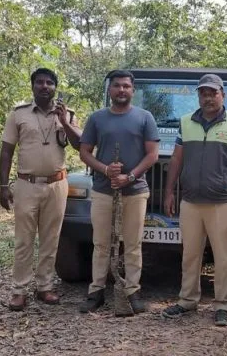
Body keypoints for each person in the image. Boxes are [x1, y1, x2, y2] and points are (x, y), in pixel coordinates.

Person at [160, 73, 227, 327]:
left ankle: (222, 305)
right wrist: (169, 192)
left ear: (223, 95)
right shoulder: (186, 122)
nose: (208, 98)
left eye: (213, 93)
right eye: (203, 93)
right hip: (190, 202)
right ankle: (187, 300)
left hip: (221, 203)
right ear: (198, 96)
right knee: (190, 254)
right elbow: (176, 159)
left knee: (223, 257)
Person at [77, 70, 160, 315]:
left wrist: (129, 176)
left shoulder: (145, 117)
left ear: (133, 90)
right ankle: (96, 291)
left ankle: (132, 291)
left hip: (135, 191)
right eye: (116, 86)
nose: (121, 90)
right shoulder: (97, 118)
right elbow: (84, 152)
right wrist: (105, 170)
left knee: (133, 244)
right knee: (101, 243)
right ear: (110, 89)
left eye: (126, 86)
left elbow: (152, 155)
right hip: (103, 190)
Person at [0, 68, 81, 311]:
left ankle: (45, 286)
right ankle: (19, 290)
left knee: (51, 237)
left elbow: (80, 145)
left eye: (49, 83)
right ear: (33, 86)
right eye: (40, 82)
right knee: (24, 239)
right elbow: (6, 152)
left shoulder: (68, 114)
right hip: (27, 184)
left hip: (57, 184)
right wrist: (3, 186)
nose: (45, 86)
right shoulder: (18, 114)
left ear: (55, 87)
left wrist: (64, 122)